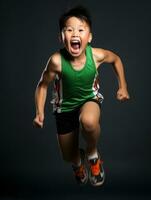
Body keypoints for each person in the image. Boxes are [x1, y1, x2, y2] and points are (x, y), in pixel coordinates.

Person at [33, 6, 130, 187]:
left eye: (80, 29)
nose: (74, 33)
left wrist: (122, 86)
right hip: (64, 107)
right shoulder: (56, 61)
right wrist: (39, 112)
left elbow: (116, 59)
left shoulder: (96, 55)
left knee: (89, 121)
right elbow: (42, 85)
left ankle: (92, 154)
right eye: (69, 30)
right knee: (67, 156)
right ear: (62, 37)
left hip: (89, 100)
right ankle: (78, 162)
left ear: (89, 37)